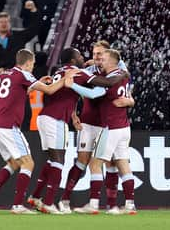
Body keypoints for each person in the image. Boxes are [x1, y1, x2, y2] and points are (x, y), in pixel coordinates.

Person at [28, 47, 129, 214]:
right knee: (59, 162)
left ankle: (36, 196)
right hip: (56, 120)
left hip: (45, 117)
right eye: (80, 55)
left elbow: (64, 95)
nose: (85, 57)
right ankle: (49, 203)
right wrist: (123, 74)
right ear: (74, 60)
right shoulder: (78, 72)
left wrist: (73, 113)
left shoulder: (60, 71)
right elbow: (107, 84)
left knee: (52, 161)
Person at [0, 48, 78, 215]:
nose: (32, 67)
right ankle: (18, 205)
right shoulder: (23, 74)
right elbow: (49, 90)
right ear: (27, 63)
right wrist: (66, 79)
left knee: (13, 163)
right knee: (28, 163)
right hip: (8, 126)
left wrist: (36, 83)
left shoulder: (4, 75)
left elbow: (17, 92)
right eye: (32, 64)